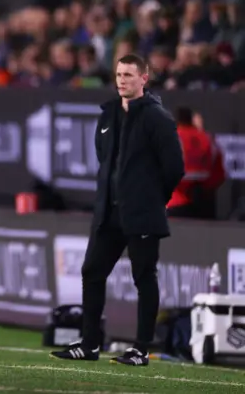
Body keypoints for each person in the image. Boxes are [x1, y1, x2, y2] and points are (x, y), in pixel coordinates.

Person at [50, 54, 184, 366]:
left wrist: (154, 198)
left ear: (144, 78)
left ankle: (141, 348)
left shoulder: (157, 118)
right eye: (119, 74)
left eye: (129, 75)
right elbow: (104, 159)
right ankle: (90, 343)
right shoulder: (108, 115)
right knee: (92, 272)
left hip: (142, 213)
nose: (122, 80)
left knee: (143, 277)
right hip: (109, 212)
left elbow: (175, 168)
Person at [167, 107, 222, 219]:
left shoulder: (172, 138)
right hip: (204, 204)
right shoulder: (207, 138)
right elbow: (219, 172)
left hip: (175, 202)